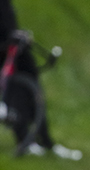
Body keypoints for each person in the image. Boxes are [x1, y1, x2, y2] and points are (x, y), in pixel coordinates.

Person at [0, 0, 82, 159]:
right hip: (5, 52)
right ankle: (25, 141)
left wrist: (17, 35)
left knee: (35, 91)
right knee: (17, 97)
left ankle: (45, 141)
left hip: (18, 47)